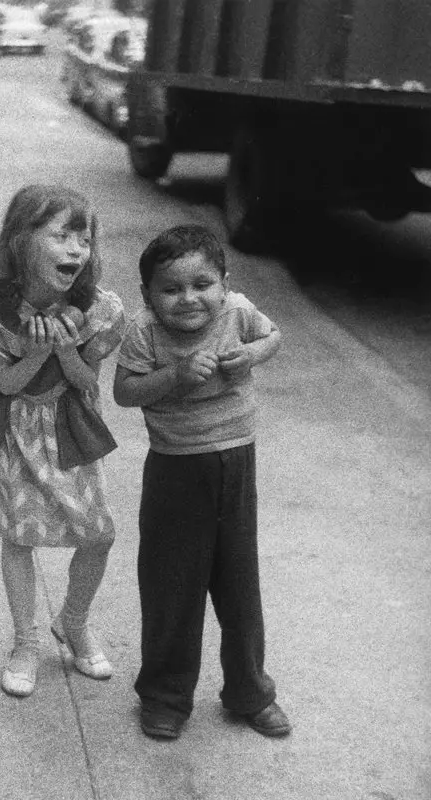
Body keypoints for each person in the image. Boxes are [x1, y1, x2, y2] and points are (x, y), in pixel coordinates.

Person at [113, 224, 291, 740]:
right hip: (175, 469)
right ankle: (166, 696)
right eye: (171, 289)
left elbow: (273, 335)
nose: (189, 298)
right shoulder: (145, 331)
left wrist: (252, 356)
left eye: (202, 284)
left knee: (239, 586)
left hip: (236, 461)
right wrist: (175, 375)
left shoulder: (237, 310)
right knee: (172, 586)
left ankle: (250, 692)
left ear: (224, 282)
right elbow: (124, 391)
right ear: (148, 294)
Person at [0, 184, 125, 698]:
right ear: (21, 241)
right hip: (10, 427)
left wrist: (66, 346)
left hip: (67, 426)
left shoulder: (98, 309)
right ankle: (25, 642)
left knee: (98, 533)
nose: (78, 248)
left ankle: (72, 621)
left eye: (85, 238)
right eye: (62, 236)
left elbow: (86, 381)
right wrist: (33, 352)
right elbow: (7, 383)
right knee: (19, 534)